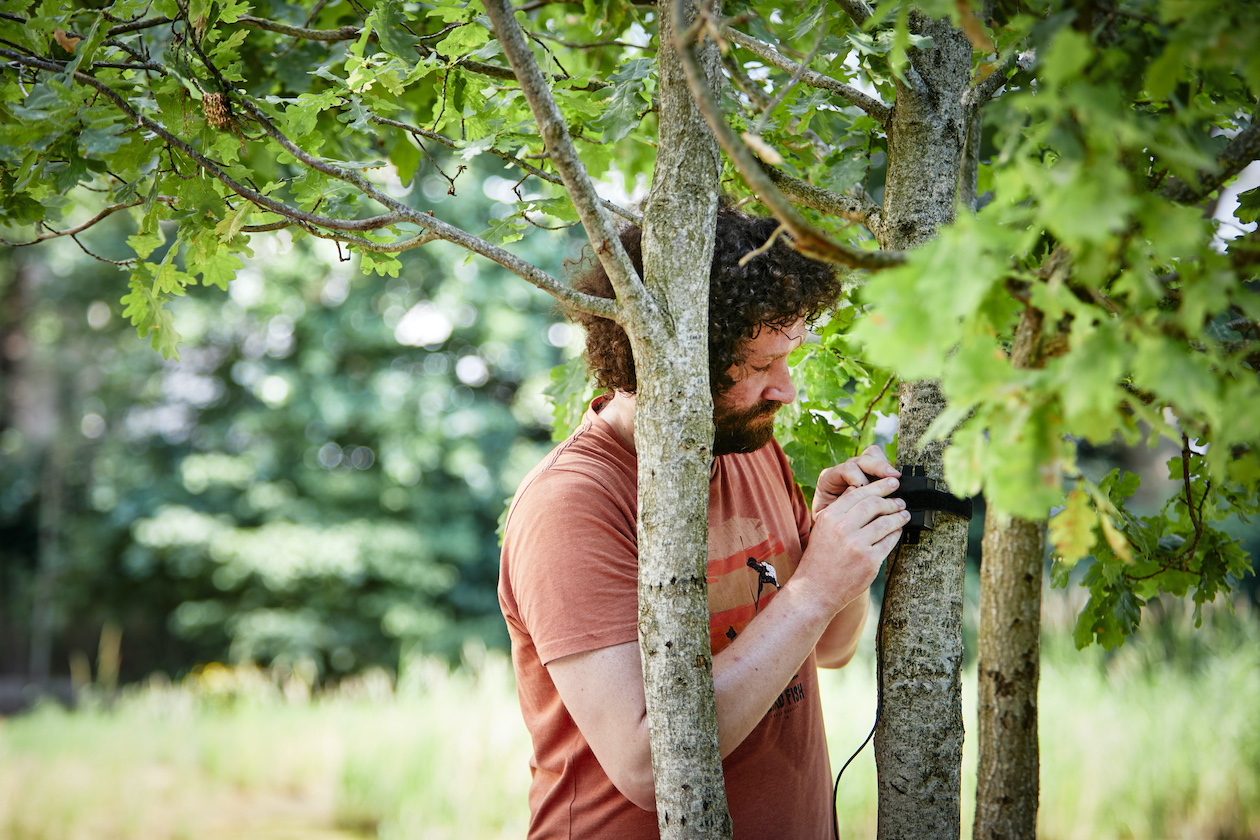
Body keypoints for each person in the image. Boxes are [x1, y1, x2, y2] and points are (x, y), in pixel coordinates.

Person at [498, 206, 909, 839]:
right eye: (756, 367)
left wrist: (834, 551)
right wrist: (814, 588)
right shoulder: (572, 505)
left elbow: (831, 648)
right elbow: (646, 764)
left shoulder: (749, 446)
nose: (787, 389)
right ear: (672, 358)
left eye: (788, 357)